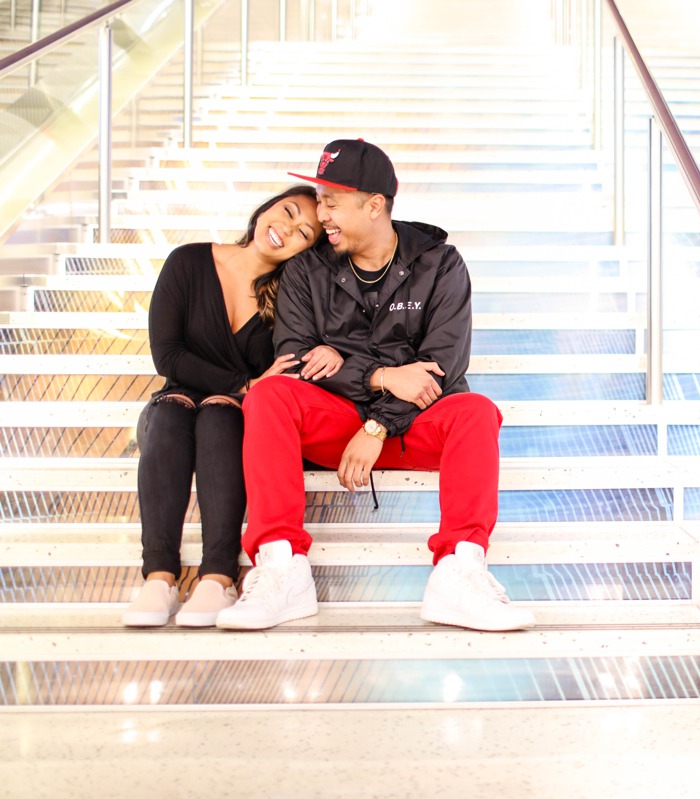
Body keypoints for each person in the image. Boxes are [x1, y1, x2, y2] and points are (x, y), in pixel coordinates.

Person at [215, 138, 535, 633]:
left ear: (374, 205)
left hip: (412, 427)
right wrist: (381, 376)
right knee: (269, 394)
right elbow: (295, 359)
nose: (321, 215)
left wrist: (378, 424)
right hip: (336, 423)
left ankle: (460, 573)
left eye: (332, 202)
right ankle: (280, 569)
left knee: (475, 411)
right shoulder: (307, 269)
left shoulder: (440, 263)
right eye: (319, 201)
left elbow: (442, 366)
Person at [122, 186, 336, 627]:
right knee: (171, 410)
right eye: (286, 213)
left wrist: (244, 392)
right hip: (176, 409)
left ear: (307, 249)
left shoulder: (290, 298)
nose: (286, 230)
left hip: (237, 418)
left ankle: (217, 577)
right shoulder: (189, 261)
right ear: (265, 209)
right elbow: (168, 356)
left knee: (220, 414)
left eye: (303, 232)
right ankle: (158, 577)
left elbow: (289, 368)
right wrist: (244, 382)